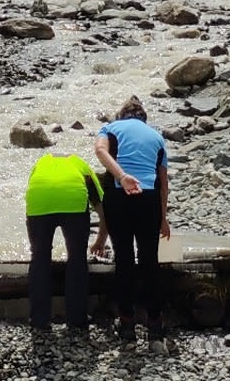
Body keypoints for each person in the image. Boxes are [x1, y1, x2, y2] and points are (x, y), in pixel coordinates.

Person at [94, 96, 171, 347]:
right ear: (143, 118)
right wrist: (163, 218)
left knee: (124, 260)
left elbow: (100, 151)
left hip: (119, 196)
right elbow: (163, 182)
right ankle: (155, 326)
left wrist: (122, 176)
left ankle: (127, 324)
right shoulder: (157, 137)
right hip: (149, 199)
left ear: (121, 114)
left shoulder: (110, 128)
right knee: (150, 261)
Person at [26, 149, 108, 338]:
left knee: (39, 258)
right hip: (73, 203)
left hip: (38, 201)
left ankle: (39, 320)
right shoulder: (83, 167)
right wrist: (100, 242)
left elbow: (30, 196)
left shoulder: (40, 164)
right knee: (77, 258)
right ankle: (77, 319)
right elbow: (104, 212)